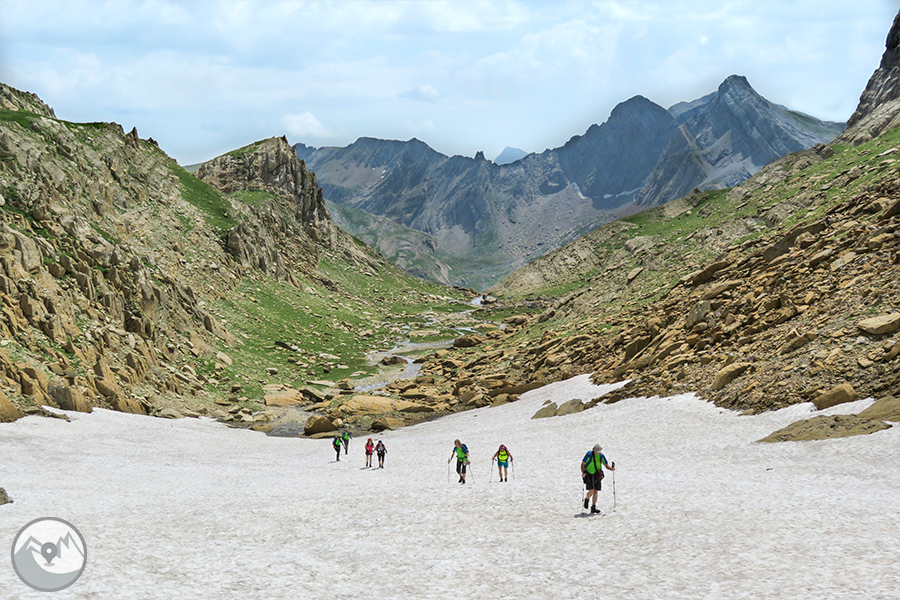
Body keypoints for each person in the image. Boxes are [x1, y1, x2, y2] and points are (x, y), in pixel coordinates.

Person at [581, 444, 614, 514]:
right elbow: (583, 464)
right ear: (593, 449)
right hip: (589, 474)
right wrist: (583, 472)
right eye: (596, 451)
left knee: (596, 491)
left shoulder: (601, 456)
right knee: (591, 490)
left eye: (598, 451)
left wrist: (611, 468)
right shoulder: (589, 454)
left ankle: (593, 507)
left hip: (597, 475)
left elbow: (606, 465)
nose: (597, 453)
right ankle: (587, 499)